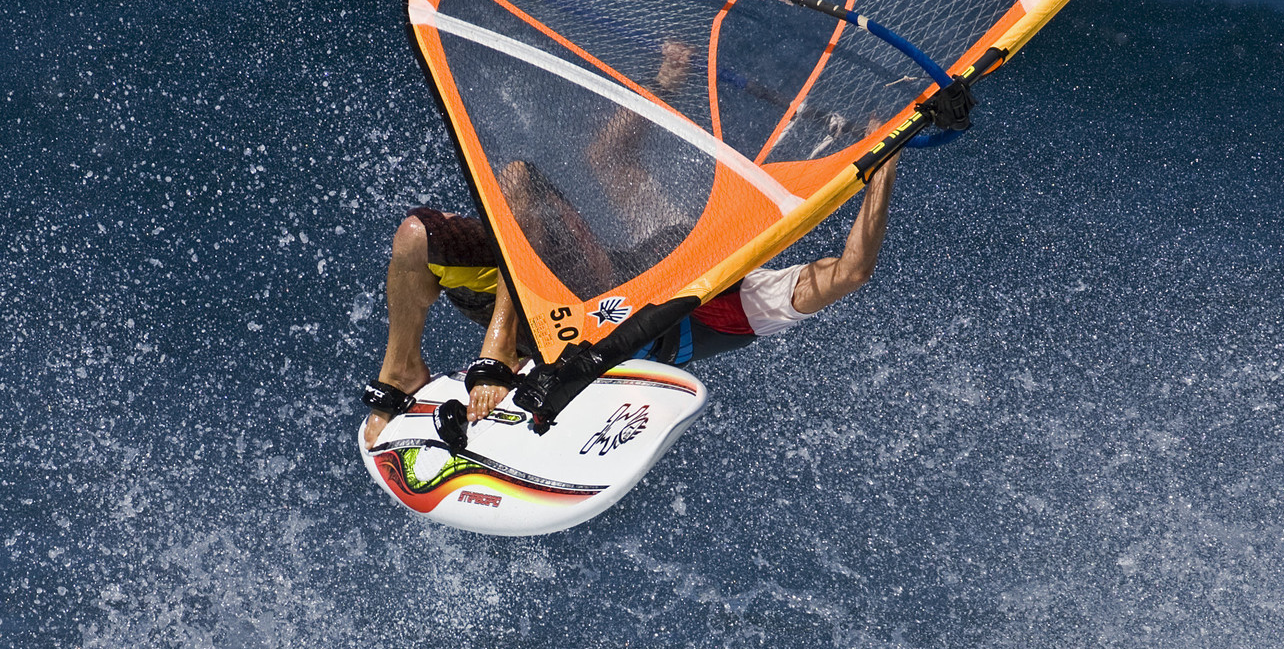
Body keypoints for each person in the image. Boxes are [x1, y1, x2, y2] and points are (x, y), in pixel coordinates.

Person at [360, 156, 900, 446]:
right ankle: (404, 368)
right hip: (538, 301)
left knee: (520, 191)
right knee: (419, 234)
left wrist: (883, 161)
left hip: (591, 349)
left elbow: (852, 272)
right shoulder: (682, 234)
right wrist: (663, 80)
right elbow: (611, 156)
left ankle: (501, 355)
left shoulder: (750, 298)